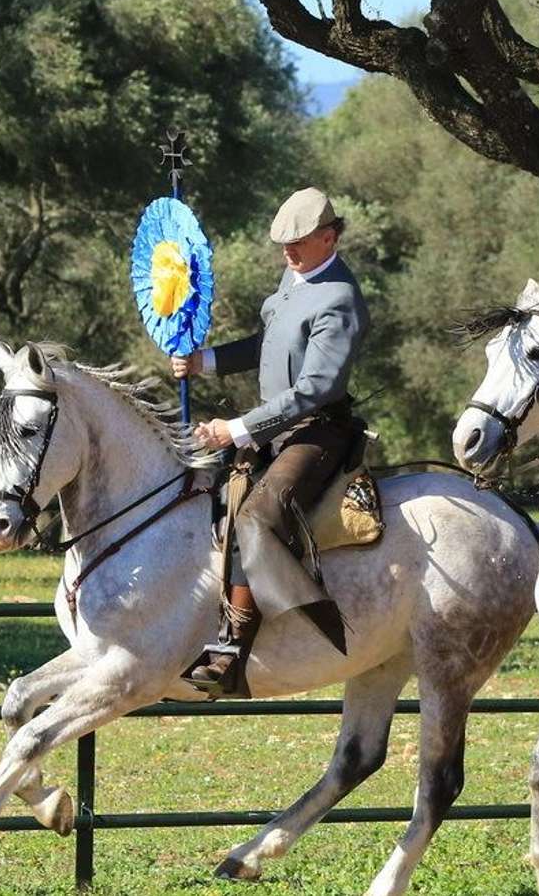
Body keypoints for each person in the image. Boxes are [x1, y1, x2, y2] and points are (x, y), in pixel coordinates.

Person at [169, 187, 370, 696]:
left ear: (330, 237)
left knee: (259, 515)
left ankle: (231, 651)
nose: (288, 251)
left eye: (298, 242)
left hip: (316, 431)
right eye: (283, 243)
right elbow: (267, 346)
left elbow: (316, 389)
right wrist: (204, 361)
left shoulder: (339, 298)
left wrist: (235, 428)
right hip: (274, 429)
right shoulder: (296, 278)